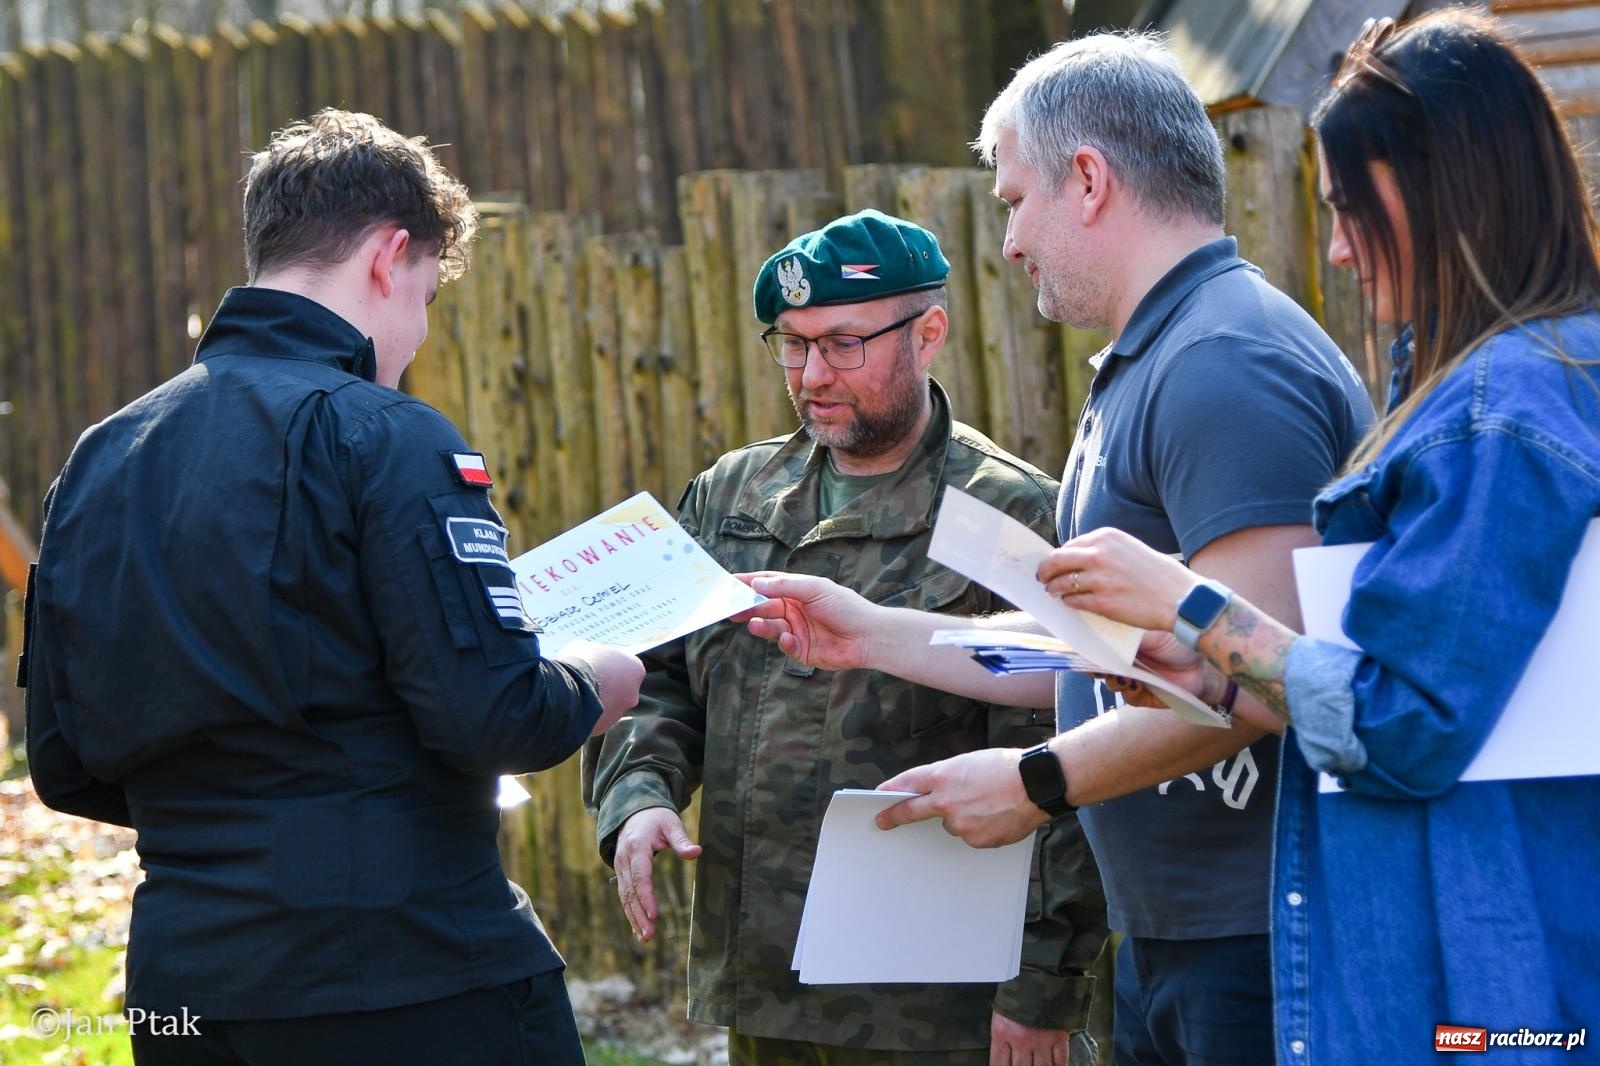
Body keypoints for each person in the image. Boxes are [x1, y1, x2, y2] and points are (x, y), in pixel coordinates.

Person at [737, 33, 1376, 1066]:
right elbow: (1110, 650)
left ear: (1088, 181)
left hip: (1255, 933)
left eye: (1012, 200)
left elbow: (1261, 677)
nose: (1009, 242)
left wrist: (1036, 782)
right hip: (1184, 930)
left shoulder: (1222, 362)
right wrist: (878, 635)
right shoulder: (1158, 352)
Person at [1020, 12, 1600, 1063]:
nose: (1334, 248)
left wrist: (1188, 605)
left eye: (1348, 210)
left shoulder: (1503, 410)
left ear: (1437, 188)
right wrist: (1204, 668)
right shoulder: (1493, 385)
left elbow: (1404, 717)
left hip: (1494, 970)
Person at [23, 109, 644, 1066]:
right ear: (391, 257)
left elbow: (62, 764)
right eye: (428, 296)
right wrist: (596, 678)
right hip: (405, 972)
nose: (420, 333)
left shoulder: (100, 459)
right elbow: (496, 717)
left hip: (182, 994)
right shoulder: (386, 434)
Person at [583, 210, 1107, 1066]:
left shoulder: (1008, 515)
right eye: (791, 344)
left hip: (941, 1006)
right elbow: (658, 673)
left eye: (843, 344)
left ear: (928, 332)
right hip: (765, 977)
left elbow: (1063, 757)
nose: (812, 375)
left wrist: (1041, 986)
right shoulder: (732, 495)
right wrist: (640, 792)